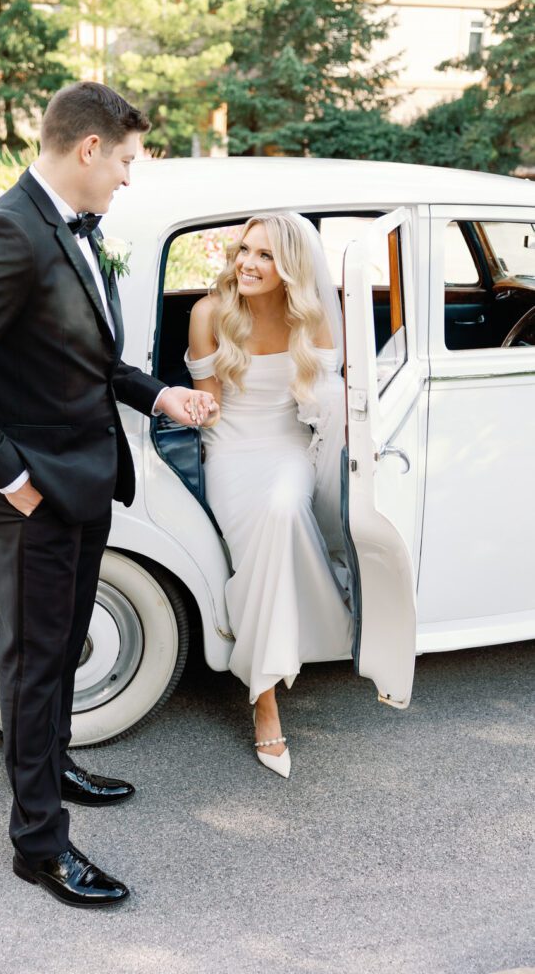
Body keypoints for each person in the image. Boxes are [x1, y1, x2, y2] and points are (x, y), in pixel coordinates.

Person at [0, 81, 216, 908]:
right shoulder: (11, 230)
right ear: (89, 149)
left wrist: (159, 395)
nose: (128, 177)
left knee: (59, 649)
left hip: (82, 482)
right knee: (37, 664)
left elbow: (82, 360)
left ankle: (54, 768)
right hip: (35, 494)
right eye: (124, 159)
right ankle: (40, 846)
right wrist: (11, 480)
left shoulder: (70, 228)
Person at [186, 212, 352, 779]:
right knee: (261, 529)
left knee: (283, 509)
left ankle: (264, 695)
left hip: (286, 448)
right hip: (230, 450)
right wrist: (194, 404)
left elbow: (323, 409)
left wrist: (324, 403)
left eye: (265, 256)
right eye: (244, 251)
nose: (248, 264)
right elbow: (208, 407)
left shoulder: (313, 319)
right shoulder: (209, 313)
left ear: (291, 269)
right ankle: (265, 698)